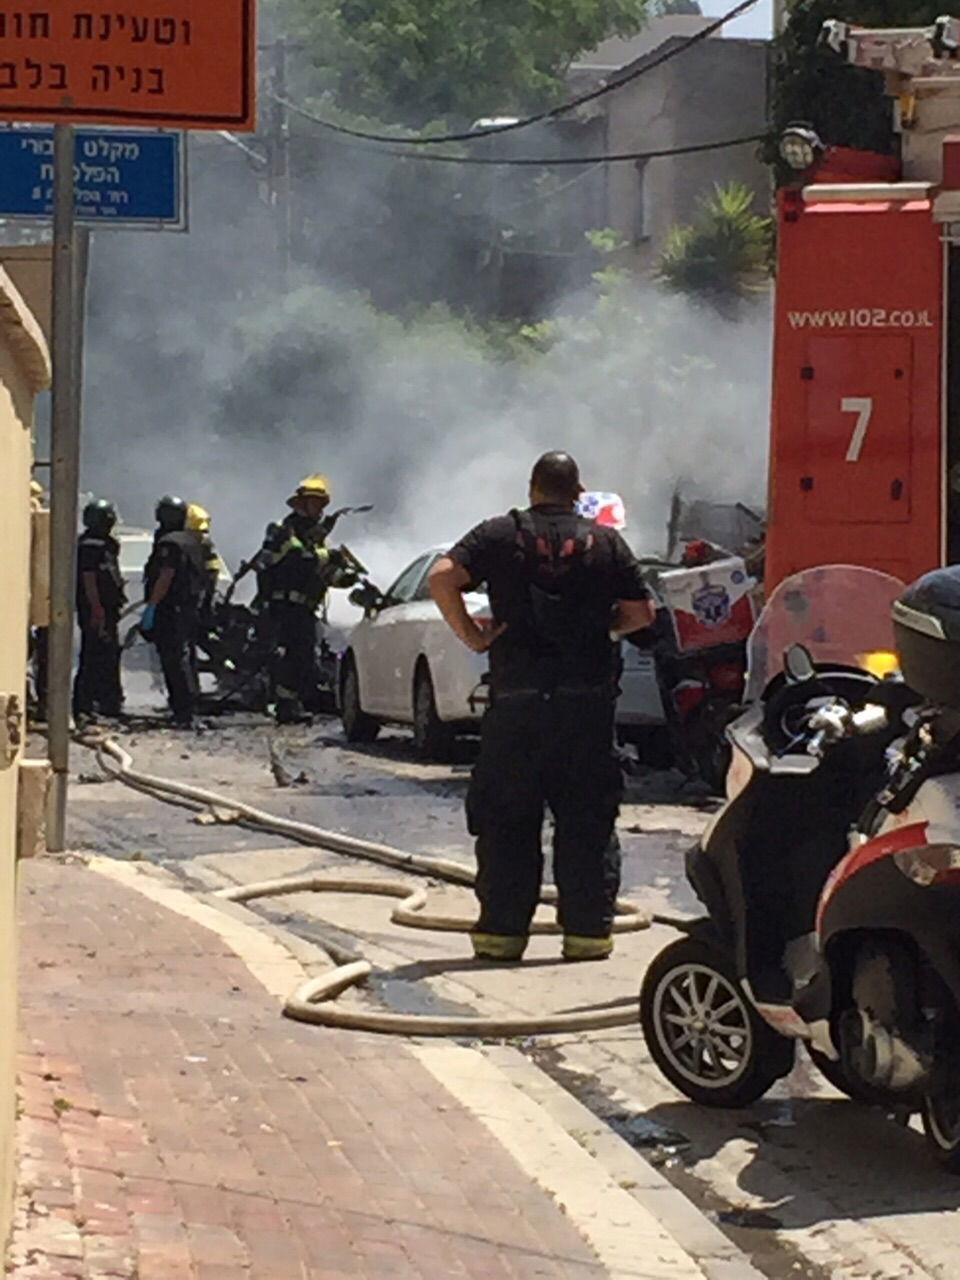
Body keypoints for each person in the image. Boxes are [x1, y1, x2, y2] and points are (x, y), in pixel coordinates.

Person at [429, 452, 655, 963]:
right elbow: (641, 613)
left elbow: (442, 577)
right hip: (586, 706)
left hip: (517, 706)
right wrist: (604, 628)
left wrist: (472, 636)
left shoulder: (497, 534)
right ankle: (587, 935)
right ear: (578, 492)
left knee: (507, 818)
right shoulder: (606, 542)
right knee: (587, 822)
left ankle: (502, 936)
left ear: (532, 488)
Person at [254, 473, 355, 725]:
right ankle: (286, 707)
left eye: (322, 503)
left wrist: (346, 578)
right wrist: (329, 557)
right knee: (294, 656)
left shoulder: (317, 538)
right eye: (314, 502)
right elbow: (297, 560)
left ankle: (298, 700)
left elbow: (324, 573)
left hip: (305, 608)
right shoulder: (281, 530)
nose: (319, 509)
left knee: (307, 657)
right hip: (284, 606)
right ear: (301, 503)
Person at [141, 495, 206, 728]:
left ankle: (182, 711)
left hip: (170, 609)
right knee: (184, 658)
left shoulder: (169, 543)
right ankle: (187, 707)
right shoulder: (192, 540)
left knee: (173, 660)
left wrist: (151, 606)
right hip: (188, 609)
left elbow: (165, 576)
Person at [73, 498, 126, 722]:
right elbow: (89, 579)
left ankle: (108, 701)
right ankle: (84, 704)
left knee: (108, 653)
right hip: (96, 608)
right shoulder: (89, 547)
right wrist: (96, 609)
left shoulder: (105, 544)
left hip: (106, 608)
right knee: (93, 653)